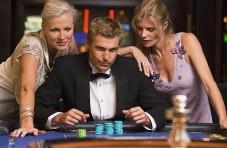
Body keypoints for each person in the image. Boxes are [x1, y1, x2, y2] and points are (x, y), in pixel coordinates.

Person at [34, 17, 169, 131]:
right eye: (100, 49)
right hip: (79, 141)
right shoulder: (66, 67)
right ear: (87, 44)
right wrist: (58, 118)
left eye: (113, 50)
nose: (106, 57)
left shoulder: (132, 68)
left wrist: (146, 118)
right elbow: (38, 107)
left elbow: (161, 107)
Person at [118, 0, 227, 128]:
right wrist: (132, 49)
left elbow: (209, 84)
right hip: (168, 128)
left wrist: (223, 119)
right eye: (140, 28)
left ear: (164, 25)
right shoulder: (142, 53)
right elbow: (110, 53)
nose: (143, 35)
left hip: (200, 125)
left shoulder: (187, 41)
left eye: (150, 29)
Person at [0, 0, 79, 137]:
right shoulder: (31, 47)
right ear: (43, 28)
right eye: (54, 30)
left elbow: (81, 64)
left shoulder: (68, 41)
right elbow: (26, 88)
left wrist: (120, 52)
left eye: (67, 29)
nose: (62, 36)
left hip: (16, 112)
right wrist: (27, 124)